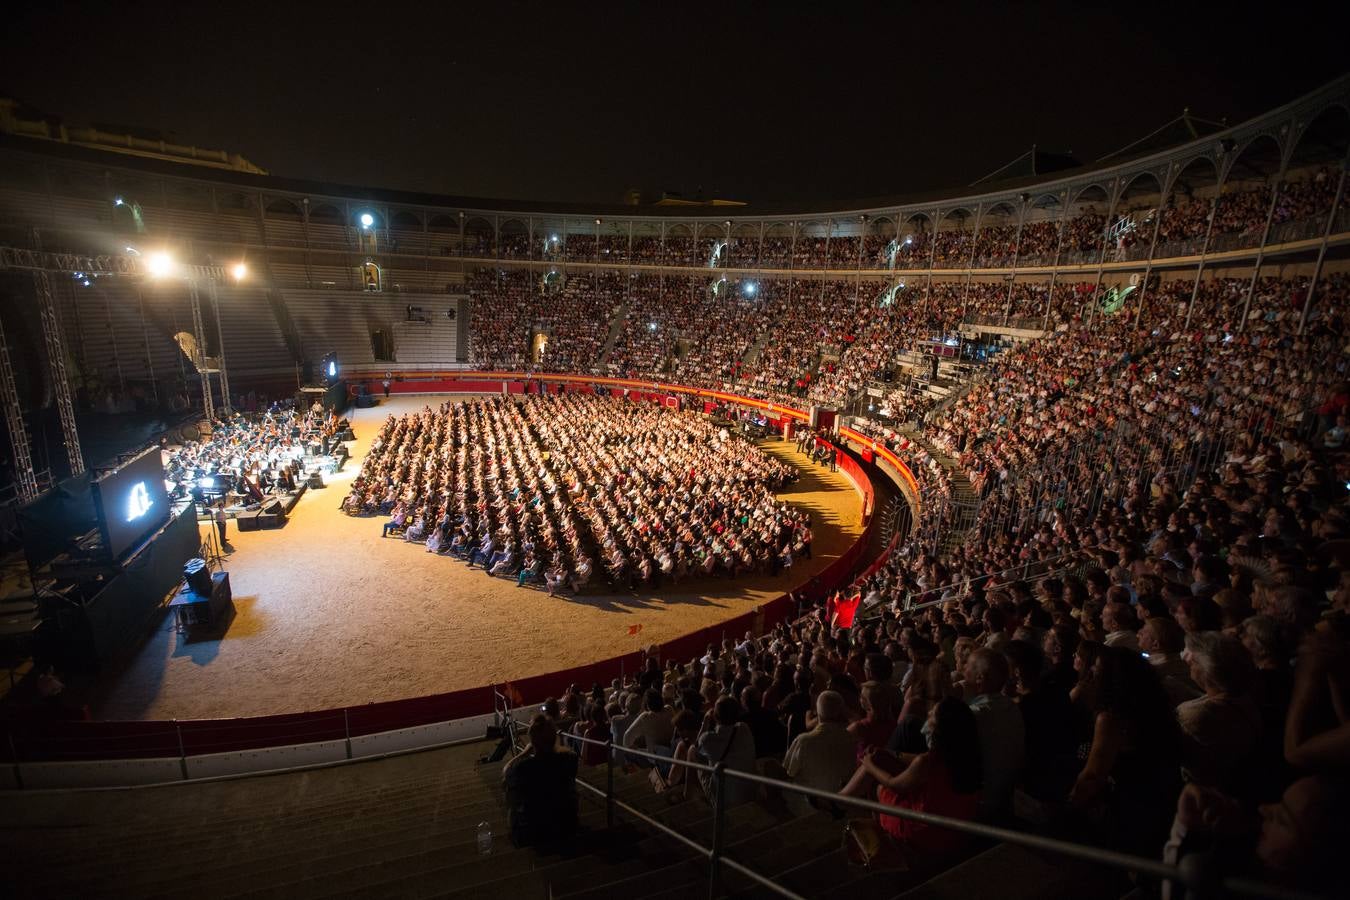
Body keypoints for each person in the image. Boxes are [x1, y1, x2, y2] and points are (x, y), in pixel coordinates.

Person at [840, 697, 982, 862]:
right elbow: (918, 760)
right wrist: (892, 754)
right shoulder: (963, 755)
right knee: (880, 757)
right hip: (956, 825)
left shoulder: (927, 762)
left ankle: (846, 805)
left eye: (932, 715)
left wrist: (869, 765)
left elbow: (894, 783)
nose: (927, 714)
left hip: (925, 831)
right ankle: (843, 798)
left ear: (941, 728)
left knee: (878, 787)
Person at [502, 715, 578, 847]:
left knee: (510, 795)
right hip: (565, 821)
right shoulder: (570, 758)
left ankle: (517, 837)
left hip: (535, 829)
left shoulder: (523, 767)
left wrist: (524, 753)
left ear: (532, 740)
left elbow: (507, 772)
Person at [783, 690, 857, 796]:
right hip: (839, 801)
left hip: (808, 803)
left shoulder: (804, 741)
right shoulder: (851, 739)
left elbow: (788, 772)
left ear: (818, 714)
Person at [696, 696, 758, 806]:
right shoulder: (744, 729)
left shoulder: (707, 739)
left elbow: (697, 748)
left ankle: (690, 796)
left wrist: (705, 723)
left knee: (692, 751)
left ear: (715, 716)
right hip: (748, 793)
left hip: (723, 798)